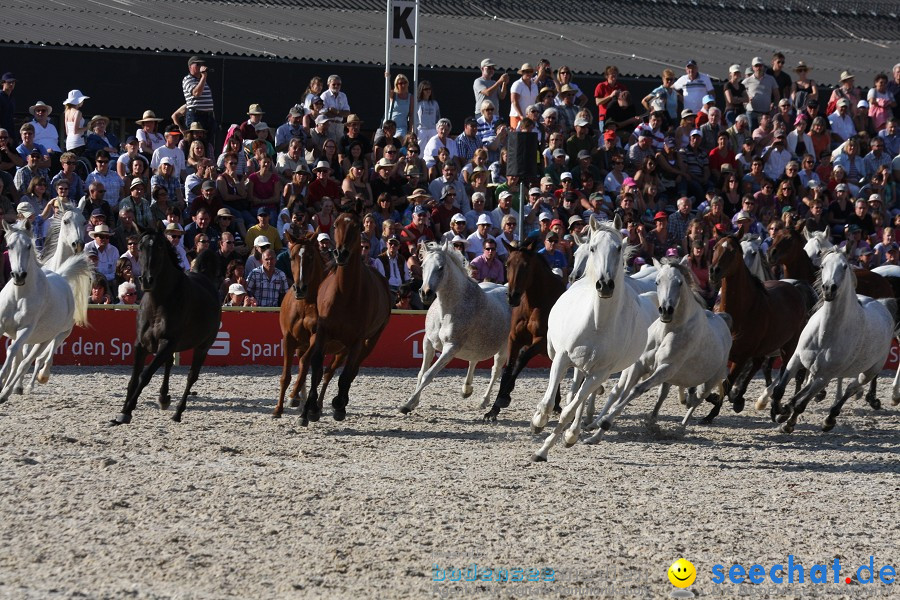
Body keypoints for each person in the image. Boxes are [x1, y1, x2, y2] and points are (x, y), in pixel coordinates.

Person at [182, 56, 217, 145]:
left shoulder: (202, 80)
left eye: (201, 64)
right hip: (196, 115)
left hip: (208, 116)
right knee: (195, 143)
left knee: (207, 143)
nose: (200, 66)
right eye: (197, 64)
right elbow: (196, 93)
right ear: (190, 67)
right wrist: (204, 76)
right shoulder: (187, 79)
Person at [743, 57, 779, 129]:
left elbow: (777, 95)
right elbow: (742, 95)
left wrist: (774, 107)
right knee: (751, 133)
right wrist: (746, 102)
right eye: (756, 66)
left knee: (765, 133)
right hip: (751, 112)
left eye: (760, 65)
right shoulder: (746, 81)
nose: (758, 68)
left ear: (763, 66)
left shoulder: (771, 79)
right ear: (753, 67)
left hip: (765, 113)